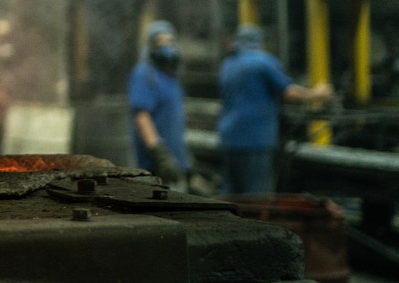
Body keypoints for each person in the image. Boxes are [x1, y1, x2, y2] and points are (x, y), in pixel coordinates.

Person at [217, 23, 334, 196]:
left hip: (229, 137)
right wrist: (317, 94)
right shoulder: (262, 62)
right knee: (256, 196)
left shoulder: (227, 65)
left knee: (232, 193)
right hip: (254, 139)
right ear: (258, 41)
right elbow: (288, 92)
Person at [127, 19, 188, 190]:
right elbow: (141, 117)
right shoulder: (144, 74)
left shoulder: (171, 76)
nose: (166, 46)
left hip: (176, 163)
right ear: (150, 46)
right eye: (159, 42)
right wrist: (160, 156)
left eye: (169, 41)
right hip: (155, 167)